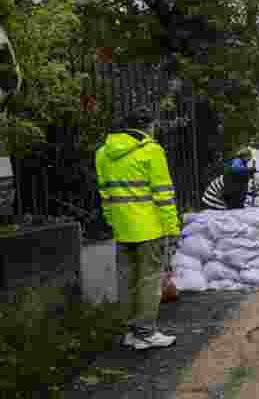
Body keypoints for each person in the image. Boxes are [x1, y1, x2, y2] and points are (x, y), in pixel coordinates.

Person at [95, 107, 178, 350]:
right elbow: (163, 195)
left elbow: (105, 194)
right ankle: (146, 332)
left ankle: (132, 332)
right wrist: (171, 228)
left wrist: (113, 221)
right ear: (148, 126)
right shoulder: (152, 151)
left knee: (128, 280)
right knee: (149, 280)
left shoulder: (102, 153)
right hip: (149, 228)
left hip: (122, 227)